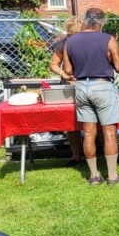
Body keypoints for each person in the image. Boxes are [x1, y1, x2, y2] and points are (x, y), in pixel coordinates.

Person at [63, 8, 119, 185]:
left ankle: (94, 176)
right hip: (102, 86)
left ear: (85, 20)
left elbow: (68, 70)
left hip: (82, 87)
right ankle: (113, 176)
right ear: (101, 22)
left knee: (89, 133)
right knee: (109, 133)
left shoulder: (70, 41)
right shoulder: (108, 39)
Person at [48, 15, 84, 165]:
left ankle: (97, 152)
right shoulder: (62, 44)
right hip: (69, 83)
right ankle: (76, 155)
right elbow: (54, 64)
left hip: (86, 81)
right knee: (72, 122)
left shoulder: (87, 42)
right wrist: (64, 74)